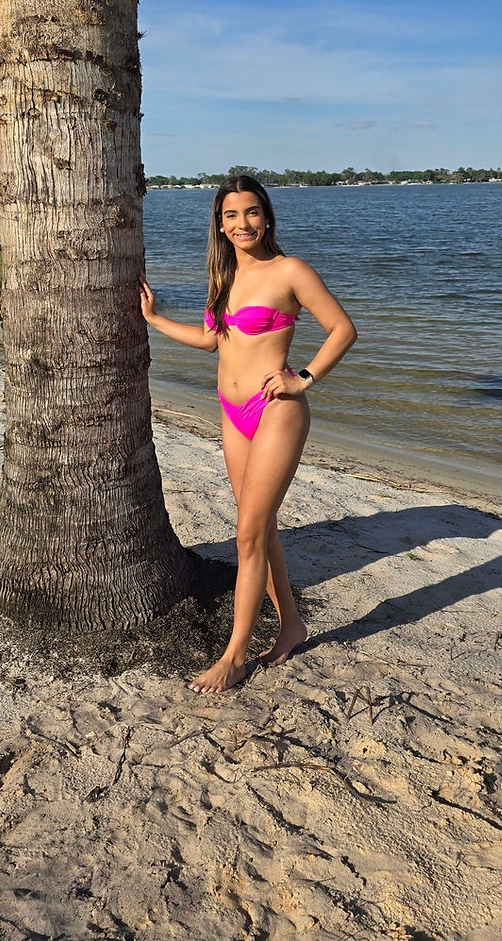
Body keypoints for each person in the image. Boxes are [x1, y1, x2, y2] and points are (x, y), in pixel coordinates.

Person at [139, 174, 357, 693]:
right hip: (231, 413)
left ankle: (235, 655)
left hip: (275, 410)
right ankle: (291, 626)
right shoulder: (224, 274)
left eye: (253, 212)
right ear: (220, 222)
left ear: (268, 217)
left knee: (248, 534)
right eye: (232, 215)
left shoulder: (291, 270)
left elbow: (343, 329)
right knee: (258, 526)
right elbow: (213, 341)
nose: (243, 224)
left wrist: (301, 378)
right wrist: (154, 319)